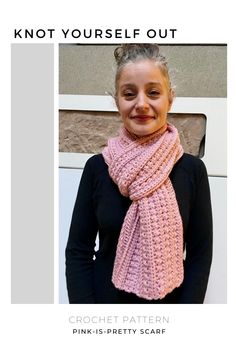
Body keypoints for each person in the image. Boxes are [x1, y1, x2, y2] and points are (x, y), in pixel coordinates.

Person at [65, 44, 213, 304]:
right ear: (117, 101)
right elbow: (78, 251)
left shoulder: (192, 171)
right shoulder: (97, 168)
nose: (141, 104)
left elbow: (200, 256)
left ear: (170, 98)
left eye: (153, 92)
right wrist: (84, 317)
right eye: (129, 94)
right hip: (103, 315)